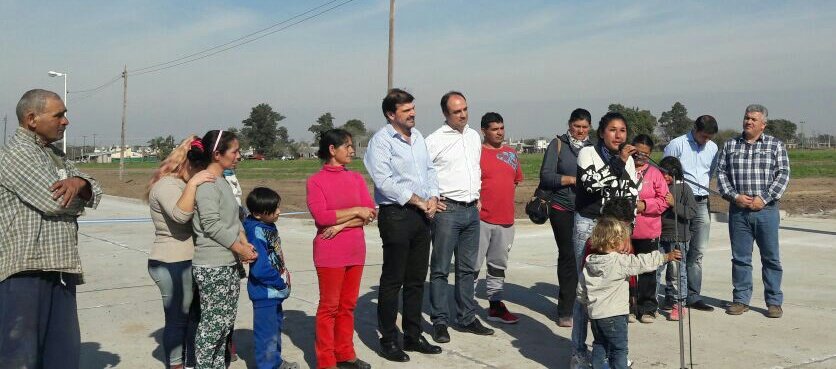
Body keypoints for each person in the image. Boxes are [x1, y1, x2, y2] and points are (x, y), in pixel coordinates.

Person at [0, 89, 102, 369]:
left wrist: (80, 184)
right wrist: (80, 196)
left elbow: (95, 189)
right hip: (26, 273)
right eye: (59, 115)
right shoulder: (17, 154)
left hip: (59, 269)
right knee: (20, 357)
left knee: (62, 356)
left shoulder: (54, 154)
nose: (66, 121)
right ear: (32, 119)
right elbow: (53, 202)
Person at [364, 89, 443, 362]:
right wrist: (417, 200)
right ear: (391, 114)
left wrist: (433, 196)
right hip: (397, 215)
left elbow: (430, 171)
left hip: (423, 216)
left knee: (416, 280)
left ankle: (413, 334)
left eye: (413, 108)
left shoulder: (418, 137)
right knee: (393, 281)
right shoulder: (381, 142)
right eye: (406, 110)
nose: (413, 113)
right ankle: (388, 340)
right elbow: (383, 181)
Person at [571, 112, 640, 369]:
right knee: (586, 292)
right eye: (612, 130)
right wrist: (619, 163)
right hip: (589, 224)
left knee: (616, 291)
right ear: (602, 132)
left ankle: (614, 352)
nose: (618, 135)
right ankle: (578, 351)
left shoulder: (629, 160)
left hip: (616, 229)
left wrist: (627, 231)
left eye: (622, 130)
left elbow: (630, 194)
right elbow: (592, 185)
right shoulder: (587, 153)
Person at [425, 91, 494, 343]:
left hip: (471, 211)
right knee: (441, 269)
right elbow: (421, 172)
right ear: (446, 114)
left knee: (467, 269)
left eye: (465, 109)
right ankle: (440, 321)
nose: (463, 114)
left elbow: (473, 169)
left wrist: (476, 197)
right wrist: (431, 198)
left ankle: (466, 317)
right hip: (447, 212)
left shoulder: (474, 136)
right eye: (457, 111)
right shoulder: (433, 140)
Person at [188, 129, 258, 368]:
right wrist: (240, 248)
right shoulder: (207, 184)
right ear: (217, 154)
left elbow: (234, 219)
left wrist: (243, 239)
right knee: (212, 325)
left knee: (225, 323)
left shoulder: (223, 182)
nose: (239, 156)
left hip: (227, 263)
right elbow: (211, 225)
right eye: (235, 151)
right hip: (212, 264)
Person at [306, 129, 375, 369]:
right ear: (332, 150)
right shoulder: (316, 181)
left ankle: (345, 353)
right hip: (330, 252)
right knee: (329, 307)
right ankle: (326, 360)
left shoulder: (356, 178)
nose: (352, 150)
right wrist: (357, 210)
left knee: (348, 305)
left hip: (355, 249)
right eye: (347, 146)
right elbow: (322, 217)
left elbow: (369, 213)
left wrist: (343, 223)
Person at [146, 136, 216, 369]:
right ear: (186, 163)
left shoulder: (182, 184)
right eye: (197, 167)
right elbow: (181, 216)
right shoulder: (167, 185)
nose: (200, 171)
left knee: (194, 318)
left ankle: (190, 362)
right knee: (177, 320)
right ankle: (176, 364)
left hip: (188, 259)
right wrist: (194, 184)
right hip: (171, 261)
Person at [577, 217, 681, 369]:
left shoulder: (590, 262)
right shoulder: (620, 262)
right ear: (614, 242)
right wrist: (665, 257)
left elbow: (581, 289)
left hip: (596, 316)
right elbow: (642, 262)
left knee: (600, 344)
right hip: (615, 316)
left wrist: (586, 303)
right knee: (619, 349)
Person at [716, 104, 790, 318]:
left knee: (771, 258)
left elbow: (783, 174)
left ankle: (774, 301)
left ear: (763, 125)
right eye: (746, 118)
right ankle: (741, 299)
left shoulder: (775, 145)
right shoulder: (730, 145)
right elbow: (721, 174)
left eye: (753, 119)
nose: (748, 122)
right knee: (740, 258)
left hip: (766, 211)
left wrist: (763, 198)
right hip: (738, 212)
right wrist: (735, 196)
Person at [538, 108, 593, 327]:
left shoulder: (594, 148)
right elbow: (546, 176)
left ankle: (587, 303)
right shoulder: (557, 145)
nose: (580, 131)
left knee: (587, 256)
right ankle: (565, 309)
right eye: (576, 126)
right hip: (562, 208)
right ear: (569, 125)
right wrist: (571, 180)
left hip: (587, 209)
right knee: (569, 255)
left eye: (584, 127)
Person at [663, 115, 719, 312]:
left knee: (697, 251)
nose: (706, 141)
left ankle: (693, 296)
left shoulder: (712, 148)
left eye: (709, 138)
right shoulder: (676, 144)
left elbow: (710, 172)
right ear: (695, 129)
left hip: (702, 202)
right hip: (678, 200)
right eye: (703, 136)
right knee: (677, 251)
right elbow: (666, 171)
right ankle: (674, 296)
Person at [475, 112, 524, 324]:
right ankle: (466, 306)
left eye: (502, 128)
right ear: (483, 131)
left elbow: (515, 181)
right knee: (472, 266)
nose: (499, 133)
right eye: (494, 129)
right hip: (481, 220)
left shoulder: (511, 154)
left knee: (497, 266)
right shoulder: (476, 153)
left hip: (505, 221)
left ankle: (495, 305)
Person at [243, 187, 299, 369]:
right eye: (274, 210)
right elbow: (260, 269)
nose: (279, 212)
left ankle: (275, 362)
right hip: (265, 292)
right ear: (258, 214)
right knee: (266, 334)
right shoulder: (255, 231)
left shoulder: (267, 226)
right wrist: (279, 282)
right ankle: (267, 365)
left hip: (274, 291)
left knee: (274, 329)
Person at [628, 134, 669, 324]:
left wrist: (645, 205)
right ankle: (627, 306)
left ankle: (647, 308)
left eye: (645, 153)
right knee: (625, 271)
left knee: (647, 270)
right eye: (637, 152)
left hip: (648, 230)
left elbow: (664, 200)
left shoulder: (655, 173)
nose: (640, 156)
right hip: (625, 231)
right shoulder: (622, 168)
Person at [657, 156, 697, 321]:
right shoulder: (658, 187)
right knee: (656, 269)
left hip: (678, 237)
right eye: (662, 173)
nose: (665, 177)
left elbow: (691, 212)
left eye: (669, 174)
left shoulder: (684, 188)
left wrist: (674, 204)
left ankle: (679, 304)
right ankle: (655, 302)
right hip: (660, 235)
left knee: (676, 273)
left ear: (676, 173)